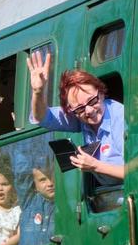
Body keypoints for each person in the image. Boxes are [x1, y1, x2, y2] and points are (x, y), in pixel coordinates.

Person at [28, 49, 125, 183]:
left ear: (101, 93)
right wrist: (38, 92)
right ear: (71, 111)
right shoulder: (79, 116)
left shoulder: (120, 117)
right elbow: (42, 118)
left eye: (92, 101)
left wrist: (96, 165)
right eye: (80, 108)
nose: (89, 110)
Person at [18, 164, 57, 245]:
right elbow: (20, 171)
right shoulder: (28, 202)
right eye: (43, 180)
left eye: (52, 177)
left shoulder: (65, 204)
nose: (50, 183)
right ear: (35, 184)